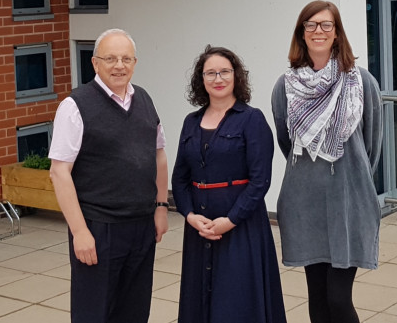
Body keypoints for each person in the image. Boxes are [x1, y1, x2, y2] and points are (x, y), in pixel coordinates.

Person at [271, 1, 383, 323]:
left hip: (347, 201)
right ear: (301, 33)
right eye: (311, 25)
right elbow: (286, 141)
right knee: (317, 298)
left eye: (326, 25)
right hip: (305, 203)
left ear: (337, 34)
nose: (318, 31)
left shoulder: (361, 82)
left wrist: (353, 175)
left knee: (338, 298)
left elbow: (371, 144)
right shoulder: (286, 87)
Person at [49, 29, 169, 323]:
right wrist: (80, 233)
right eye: (111, 58)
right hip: (99, 229)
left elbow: (159, 155)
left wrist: (161, 207)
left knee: (134, 310)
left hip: (141, 226)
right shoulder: (75, 106)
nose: (119, 65)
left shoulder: (144, 99)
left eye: (126, 58)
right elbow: (59, 171)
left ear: (135, 62)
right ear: (95, 63)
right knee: (95, 312)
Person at [172, 45, 287, 323]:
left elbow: (260, 181)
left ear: (236, 76)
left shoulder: (252, 120)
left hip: (241, 228)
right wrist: (189, 215)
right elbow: (180, 177)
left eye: (224, 71)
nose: (218, 78)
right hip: (200, 229)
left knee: (237, 303)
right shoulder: (191, 122)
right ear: (201, 79)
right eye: (210, 73)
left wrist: (230, 220)